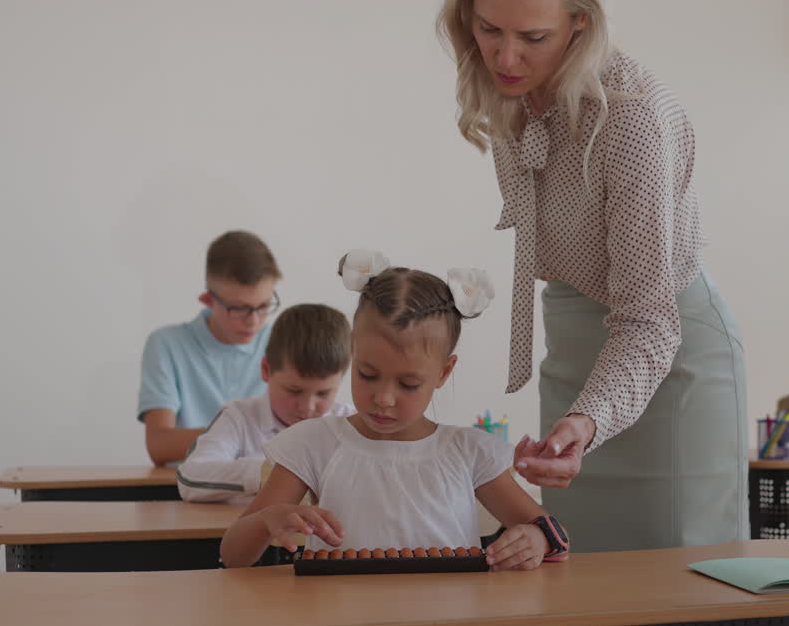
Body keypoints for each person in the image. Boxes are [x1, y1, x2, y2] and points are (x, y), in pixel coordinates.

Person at [437, 0, 746, 551]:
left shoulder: (630, 120)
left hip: (669, 357)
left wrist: (589, 418)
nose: (505, 56)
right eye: (488, 29)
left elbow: (649, 322)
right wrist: (577, 416)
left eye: (532, 35)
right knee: (585, 582)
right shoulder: (509, 89)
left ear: (581, 22)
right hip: (574, 344)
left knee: (677, 588)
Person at [220, 251, 566, 571]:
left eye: (408, 384)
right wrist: (267, 521)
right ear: (353, 352)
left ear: (444, 372)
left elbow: (556, 540)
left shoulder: (469, 453)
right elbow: (232, 556)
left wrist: (536, 539)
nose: (383, 399)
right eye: (367, 375)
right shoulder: (314, 444)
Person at [177, 304, 355, 503]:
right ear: (266, 370)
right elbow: (190, 477)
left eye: (323, 393)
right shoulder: (238, 417)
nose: (307, 407)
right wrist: (268, 473)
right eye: (294, 390)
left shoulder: (350, 423)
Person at [138, 230, 282, 466]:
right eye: (239, 308)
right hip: (189, 489)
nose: (253, 320)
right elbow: (159, 445)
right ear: (207, 300)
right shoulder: (167, 344)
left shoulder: (281, 341)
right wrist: (241, 434)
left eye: (264, 306)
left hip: (265, 488)